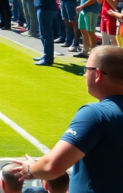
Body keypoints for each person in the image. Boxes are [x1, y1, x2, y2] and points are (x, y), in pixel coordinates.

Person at [11, 46, 123, 192]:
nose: (84, 75)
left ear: (97, 74)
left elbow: (52, 167)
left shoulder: (96, 114)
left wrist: (30, 169)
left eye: (86, 69)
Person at [30, 0, 60, 66]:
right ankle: (46, 55)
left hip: (45, 8)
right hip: (45, 7)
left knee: (46, 34)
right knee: (44, 34)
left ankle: (48, 59)